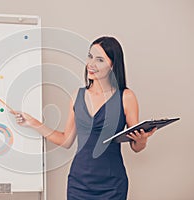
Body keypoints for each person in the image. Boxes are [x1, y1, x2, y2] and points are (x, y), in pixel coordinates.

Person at [11, 36, 157, 200]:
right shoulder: (77, 96)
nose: (91, 64)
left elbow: (136, 146)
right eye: (90, 56)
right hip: (78, 183)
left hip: (112, 184)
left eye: (100, 59)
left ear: (112, 65)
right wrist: (33, 122)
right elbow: (66, 140)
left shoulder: (126, 97)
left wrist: (142, 140)